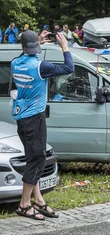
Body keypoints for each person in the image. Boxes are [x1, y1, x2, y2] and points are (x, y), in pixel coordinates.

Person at [12, 30, 74, 220]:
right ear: (36, 48)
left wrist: (33, 42)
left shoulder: (16, 63)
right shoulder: (41, 66)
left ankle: (38, 199)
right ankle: (24, 204)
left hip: (21, 117)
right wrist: (65, 47)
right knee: (38, 159)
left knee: (33, 157)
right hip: (35, 117)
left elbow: (26, 53)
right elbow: (68, 68)